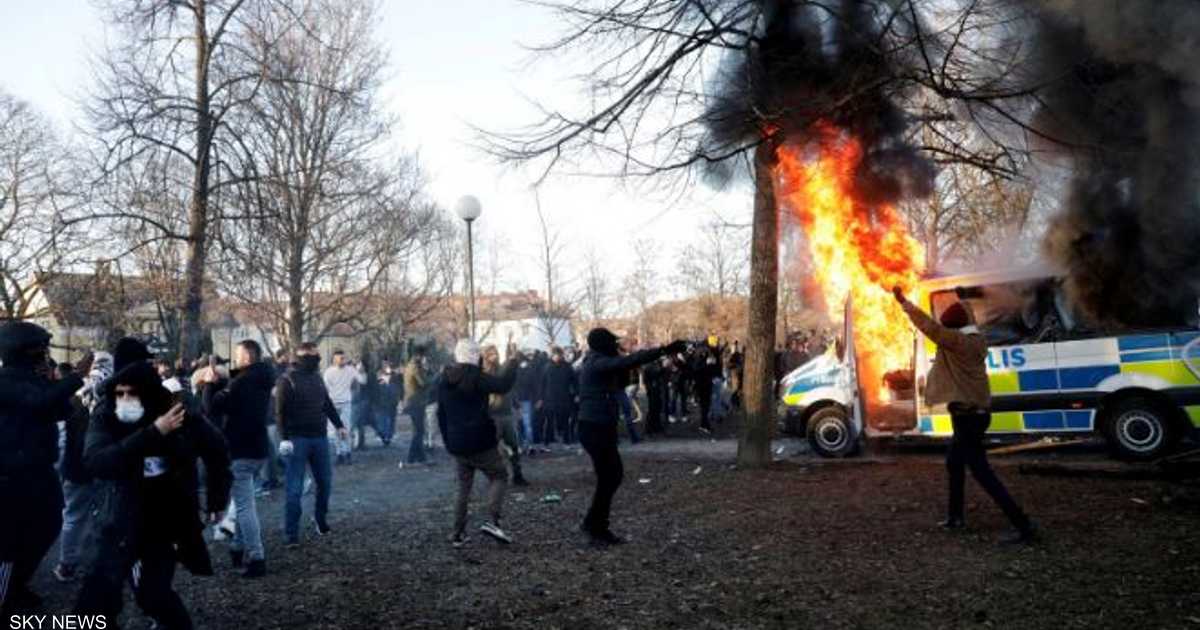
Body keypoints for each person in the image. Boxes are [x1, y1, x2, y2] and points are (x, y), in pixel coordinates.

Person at [74, 354, 232, 629]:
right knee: (96, 599)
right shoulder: (107, 413)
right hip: (117, 517)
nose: (124, 398)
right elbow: (96, 462)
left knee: (154, 594)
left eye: (131, 393)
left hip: (163, 518)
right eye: (119, 392)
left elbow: (217, 451)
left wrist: (217, 499)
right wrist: (153, 432)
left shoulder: (176, 411)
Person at [894, 286, 1036, 545]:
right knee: (954, 463)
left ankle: (1023, 525)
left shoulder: (958, 343)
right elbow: (966, 316)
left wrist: (905, 303)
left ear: (954, 330)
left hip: (969, 418)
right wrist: (963, 299)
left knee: (981, 472)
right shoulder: (975, 337)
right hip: (970, 415)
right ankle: (956, 517)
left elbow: (929, 327)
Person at [0, 322, 83, 615]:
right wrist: (74, 378)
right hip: (12, 474)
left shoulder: (33, 378)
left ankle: (17, 584)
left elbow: (59, 409)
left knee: (49, 524)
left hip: (39, 470)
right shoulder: (6, 380)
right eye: (40, 349)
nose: (45, 354)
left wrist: (55, 383)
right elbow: (39, 402)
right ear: (25, 351)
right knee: (9, 540)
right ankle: (4, 593)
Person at [576, 329, 686, 546]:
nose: (615, 346)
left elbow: (622, 375)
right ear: (603, 344)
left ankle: (593, 523)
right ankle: (595, 528)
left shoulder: (598, 361)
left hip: (600, 427)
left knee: (610, 477)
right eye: (612, 342)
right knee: (611, 476)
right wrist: (662, 350)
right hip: (593, 428)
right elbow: (625, 362)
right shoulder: (596, 362)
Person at [198, 339, 273, 578]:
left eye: (238, 354)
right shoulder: (263, 376)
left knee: (244, 506)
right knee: (244, 501)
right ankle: (237, 547)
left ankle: (256, 556)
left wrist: (209, 385)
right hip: (259, 448)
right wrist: (223, 379)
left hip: (241, 449)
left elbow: (210, 408)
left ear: (248, 358)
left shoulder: (242, 382)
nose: (235, 358)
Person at [436, 340, 520, 546]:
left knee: (463, 488)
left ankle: (457, 534)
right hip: (480, 441)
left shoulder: (444, 379)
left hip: (457, 443)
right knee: (499, 475)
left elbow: (441, 414)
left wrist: (448, 441)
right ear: (475, 356)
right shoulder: (477, 377)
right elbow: (503, 385)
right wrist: (513, 361)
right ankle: (492, 520)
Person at [276, 342, 348, 547]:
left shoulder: (317, 378)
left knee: (325, 483)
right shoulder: (286, 380)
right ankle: (291, 533)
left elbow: (326, 403)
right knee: (294, 489)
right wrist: (284, 439)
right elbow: (280, 411)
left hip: (320, 438)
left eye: (317, 355)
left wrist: (339, 425)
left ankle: (320, 519)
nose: (316, 359)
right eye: (312, 356)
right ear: (300, 357)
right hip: (296, 440)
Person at [482, 344, 529, 486]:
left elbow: (509, 387)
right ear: (485, 356)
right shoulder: (484, 372)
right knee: (492, 450)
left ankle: (517, 475)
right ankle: (495, 478)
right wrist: (510, 362)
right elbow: (498, 380)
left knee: (513, 446)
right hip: (493, 415)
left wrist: (516, 404)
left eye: (495, 352)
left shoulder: (501, 369)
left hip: (506, 413)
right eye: (491, 353)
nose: (494, 356)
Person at [323, 349, 365, 465]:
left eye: (344, 358)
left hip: (346, 402)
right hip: (333, 403)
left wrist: (360, 371)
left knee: (345, 428)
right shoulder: (329, 372)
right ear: (334, 359)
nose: (343, 360)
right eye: (340, 358)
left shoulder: (350, 370)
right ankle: (339, 453)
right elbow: (325, 387)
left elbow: (362, 380)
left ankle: (347, 453)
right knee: (335, 430)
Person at [537, 347, 577, 450]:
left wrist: (576, 393)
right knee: (549, 421)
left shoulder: (567, 367)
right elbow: (542, 384)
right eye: (555, 355)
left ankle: (566, 442)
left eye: (559, 355)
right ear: (552, 355)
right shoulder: (547, 367)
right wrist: (541, 398)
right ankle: (546, 442)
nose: (557, 357)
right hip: (550, 398)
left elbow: (574, 381)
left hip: (564, 398)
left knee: (565, 421)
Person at [402, 348, 430, 465]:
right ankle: (411, 458)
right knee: (418, 431)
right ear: (420, 356)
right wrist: (430, 372)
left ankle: (421, 457)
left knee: (419, 430)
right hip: (416, 403)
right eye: (424, 356)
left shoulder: (411, 365)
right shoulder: (416, 367)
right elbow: (424, 383)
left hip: (413, 402)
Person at [374, 360, 401, 447]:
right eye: (386, 365)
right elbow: (377, 390)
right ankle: (385, 436)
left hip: (392, 403)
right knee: (384, 421)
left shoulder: (394, 376)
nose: (388, 367)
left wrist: (398, 399)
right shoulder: (379, 377)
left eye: (389, 365)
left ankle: (388, 437)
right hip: (383, 403)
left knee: (391, 421)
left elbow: (398, 388)